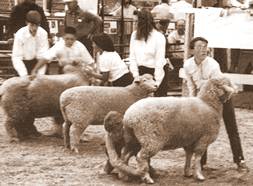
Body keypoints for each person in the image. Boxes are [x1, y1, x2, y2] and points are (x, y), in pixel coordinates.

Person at [183, 37, 248, 172]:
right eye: (200, 46)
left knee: (231, 127)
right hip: (203, 100)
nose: (203, 49)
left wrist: (224, 96)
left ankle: (239, 160)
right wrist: (193, 103)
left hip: (223, 96)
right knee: (201, 129)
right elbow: (191, 86)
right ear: (192, 50)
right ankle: (201, 162)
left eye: (205, 46)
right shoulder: (187, 65)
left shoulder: (213, 64)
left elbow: (221, 86)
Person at [129, 9, 168, 96]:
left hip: (156, 73)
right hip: (140, 74)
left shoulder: (159, 37)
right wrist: (136, 76)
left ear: (143, 22)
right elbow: (132, 57)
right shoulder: (134, 35)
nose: (134, 24)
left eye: (136, 21)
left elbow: (159, 62)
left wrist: (156, 83)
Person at [12, 10, 49, 76]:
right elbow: (16, 57)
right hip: (22, 64)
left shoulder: (43, 33)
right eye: (32, 25)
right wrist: (24, 75)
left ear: (39, 23)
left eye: (37, 25)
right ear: (27, 22)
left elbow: (43, 56)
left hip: (38, 63)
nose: (34, 28)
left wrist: (40, 74)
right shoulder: (20, 34)